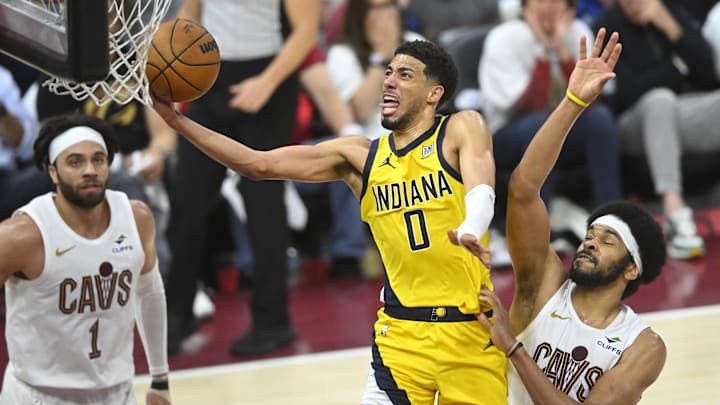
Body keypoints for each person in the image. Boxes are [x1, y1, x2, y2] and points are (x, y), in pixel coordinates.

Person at [152, 39, 507, 403]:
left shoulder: (461, 127)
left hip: (468, 332)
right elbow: (256, 164)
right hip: (400, 337)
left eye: (405, 74)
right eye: (388, 73)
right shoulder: (358, 156)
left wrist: (470, 229)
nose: (389, 81)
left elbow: (482, 190)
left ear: (435, 93)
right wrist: (179, 121)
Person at [476, 29, 668, 404]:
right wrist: (573, 102)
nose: (590, 242)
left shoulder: (643, 346)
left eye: (608, 240)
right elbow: (524, 189)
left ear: (632, 269)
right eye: (591, 234)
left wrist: (514, 348)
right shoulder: (544, 285)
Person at [166, 0, 319, 356]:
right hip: (208, 77)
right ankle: (177, 313)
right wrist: (179, 73)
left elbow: (306, 31)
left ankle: (273, 320)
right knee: (187, 201)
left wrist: (265, 83)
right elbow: (191, 14)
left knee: (263, 204)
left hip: (269, 79)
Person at [0, 114, 171, 404]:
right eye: (76, 162)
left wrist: (160, 379)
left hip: (117, 393)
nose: (90, 170)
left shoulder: (136, 218)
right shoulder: (21, 235)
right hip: (40, 395)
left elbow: (150, 293)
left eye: (98, 160)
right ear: (53, 172)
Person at [480, 0, 623, 245]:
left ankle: (614, 220)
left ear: (570, 9)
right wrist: (545, 49)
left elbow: (593, 102)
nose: (548, 7)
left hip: (561, 133)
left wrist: (562, 49)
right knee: (539, 123)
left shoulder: (577, 32)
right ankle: (538, 232)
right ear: (524, 8)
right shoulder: (504, 38)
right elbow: (532, 105)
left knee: (600, 119)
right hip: (508, 135)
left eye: (556, 1)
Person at [594, 0, 720, 259]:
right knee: (660, 100)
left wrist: (671, 27)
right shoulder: (607, 26)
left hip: (680, 113)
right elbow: (627, 92)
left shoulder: (671, 12)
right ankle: (675, 214)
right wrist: (677, 70)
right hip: (633, 122)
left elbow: (708, 74)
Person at [0, 64, 50, 220]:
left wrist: (2, 111)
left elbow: (25, 149)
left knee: (59, 174)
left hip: (5, 182)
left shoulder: (2, 77)